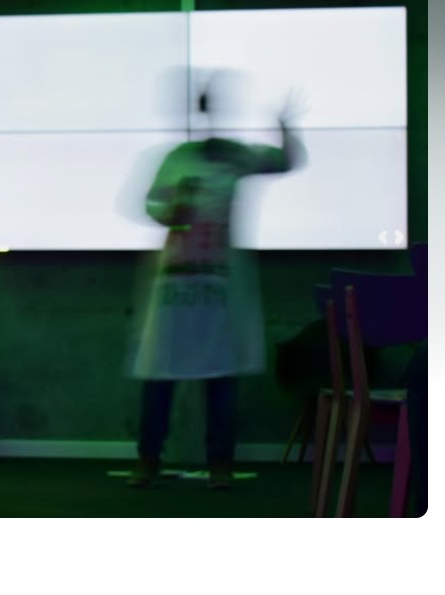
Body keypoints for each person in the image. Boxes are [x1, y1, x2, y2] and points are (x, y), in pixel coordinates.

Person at [127, 72, 306, 489]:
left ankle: (219, 463)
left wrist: (285, 127)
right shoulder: (177, 157)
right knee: (160, 377)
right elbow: (150, 204)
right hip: (173, 288)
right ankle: (148, 460)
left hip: (219, 288)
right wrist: (172, 209)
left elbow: (285, 162)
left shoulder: (235, 156)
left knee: (221, 376)